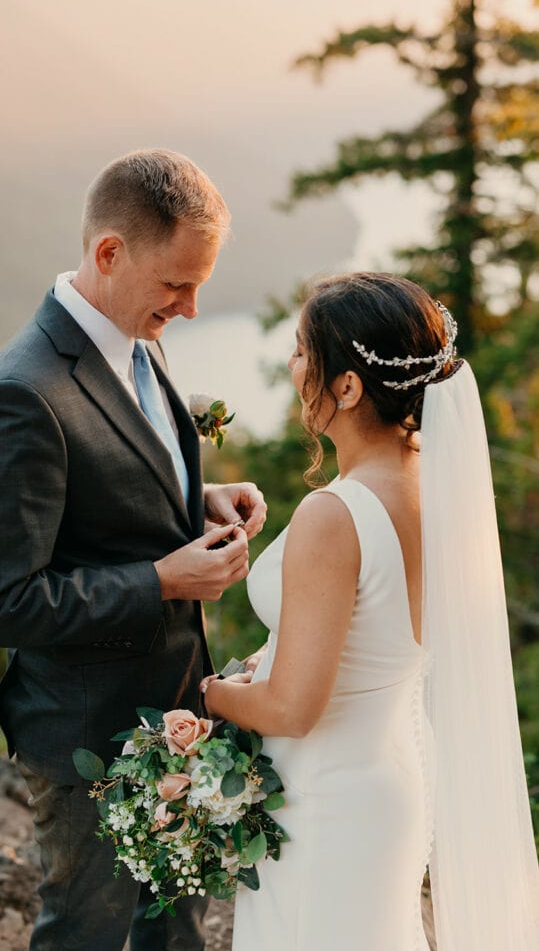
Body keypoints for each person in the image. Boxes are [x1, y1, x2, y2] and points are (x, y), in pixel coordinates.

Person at [0, 149, 267, 951]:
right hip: (87, 734)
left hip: (179, 710)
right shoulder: (23, 393)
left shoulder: (138, 337)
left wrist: (198, 497)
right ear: (108, 254)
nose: (191, 307)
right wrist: (160, 579)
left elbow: (113, 476)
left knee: (180, 930)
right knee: (88, 936)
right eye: (176, 285)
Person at [201, 272, 539, 950]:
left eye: (302, 352)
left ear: (348, 387)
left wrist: (202, 692)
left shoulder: (336, 513)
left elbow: (293, 709)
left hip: (323, 800)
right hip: (391, 778)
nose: (292, 366)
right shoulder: (434, 491)